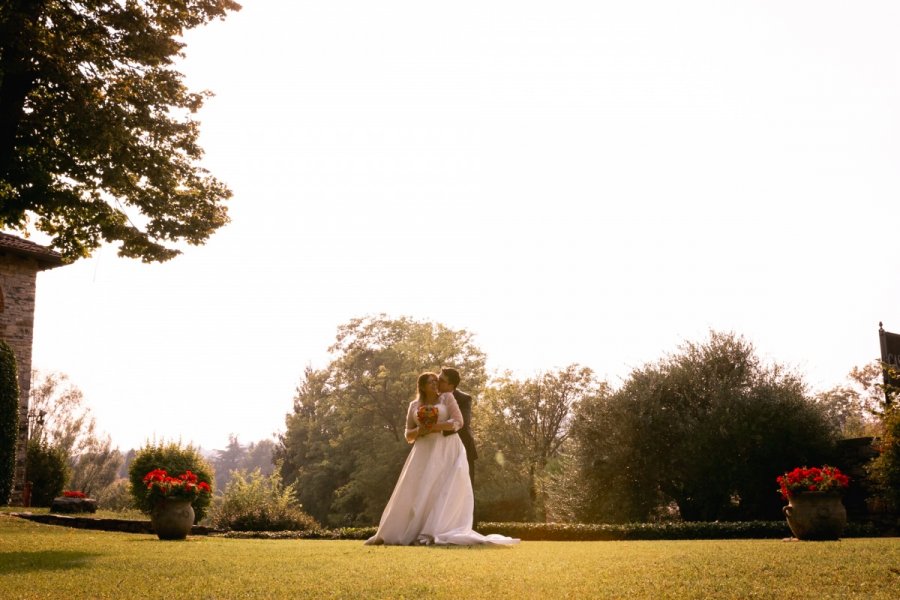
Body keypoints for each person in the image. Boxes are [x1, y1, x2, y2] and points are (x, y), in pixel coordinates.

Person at [364, 372, 518, 546]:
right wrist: (420, 431)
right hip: (423, 449)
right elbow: (408, 434)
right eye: (431, 382)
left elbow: (458, 422)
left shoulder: (447, 399)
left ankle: (432, 529)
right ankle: (403, 530)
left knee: (439, 487)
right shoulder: (414, 405)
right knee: (417, 488)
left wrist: (433, 426)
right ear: (422, 386)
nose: (436, 384)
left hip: (444, 447)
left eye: (437, 381)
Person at [439, 367, 476, 488]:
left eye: (441, 380)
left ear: (451, 385)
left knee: (464, 489)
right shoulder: (433, 397)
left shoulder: (464, 399)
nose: (437, 382)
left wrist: (435, 429)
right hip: (439, 448)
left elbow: (462, 422)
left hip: (462, 447)